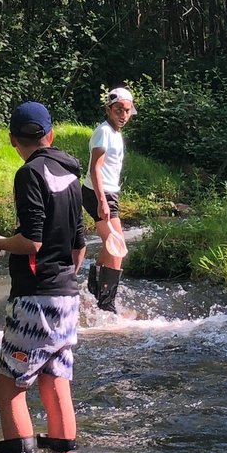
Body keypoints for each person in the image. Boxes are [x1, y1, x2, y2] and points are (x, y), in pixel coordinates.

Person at [0, 101, 85, 453]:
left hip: (35, 300)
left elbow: (32, 241)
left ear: (12, 140)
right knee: (55, 386)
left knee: (8, 390)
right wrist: (63, 278)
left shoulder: (29, 174)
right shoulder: (71, 174)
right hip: (66, 296)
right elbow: (79, 245)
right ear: (50, 135)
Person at [84, 86, 135, 312]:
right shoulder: (104, 131)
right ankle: (106, 305)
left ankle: (95, 282)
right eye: (118, 110)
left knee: (114, 245)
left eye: (127, 110)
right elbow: (95, 168)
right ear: (108, 109)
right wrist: (102, 200)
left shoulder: (116, 132)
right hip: (99, 193)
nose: (123, 115)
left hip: (108, 193)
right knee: (117, 248)